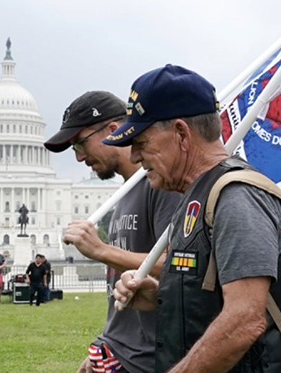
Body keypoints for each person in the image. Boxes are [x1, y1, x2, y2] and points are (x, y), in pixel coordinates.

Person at [109, 65, 281, 372]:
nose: (133, 157)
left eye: (141, 144)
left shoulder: (236, 198)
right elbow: (216, 300)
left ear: (181, 134)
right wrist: (162, 296)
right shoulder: (197, 195)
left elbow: (245, 319)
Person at [45, 90, 181, 373]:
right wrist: (106, 342)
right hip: (118, 353)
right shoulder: (124, 193)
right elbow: (119, 288)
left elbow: (178, 263)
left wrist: (101, 250)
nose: (80, 157)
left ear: (113, 129)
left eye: (81, 143)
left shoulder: (162, 187)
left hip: (147, 361)